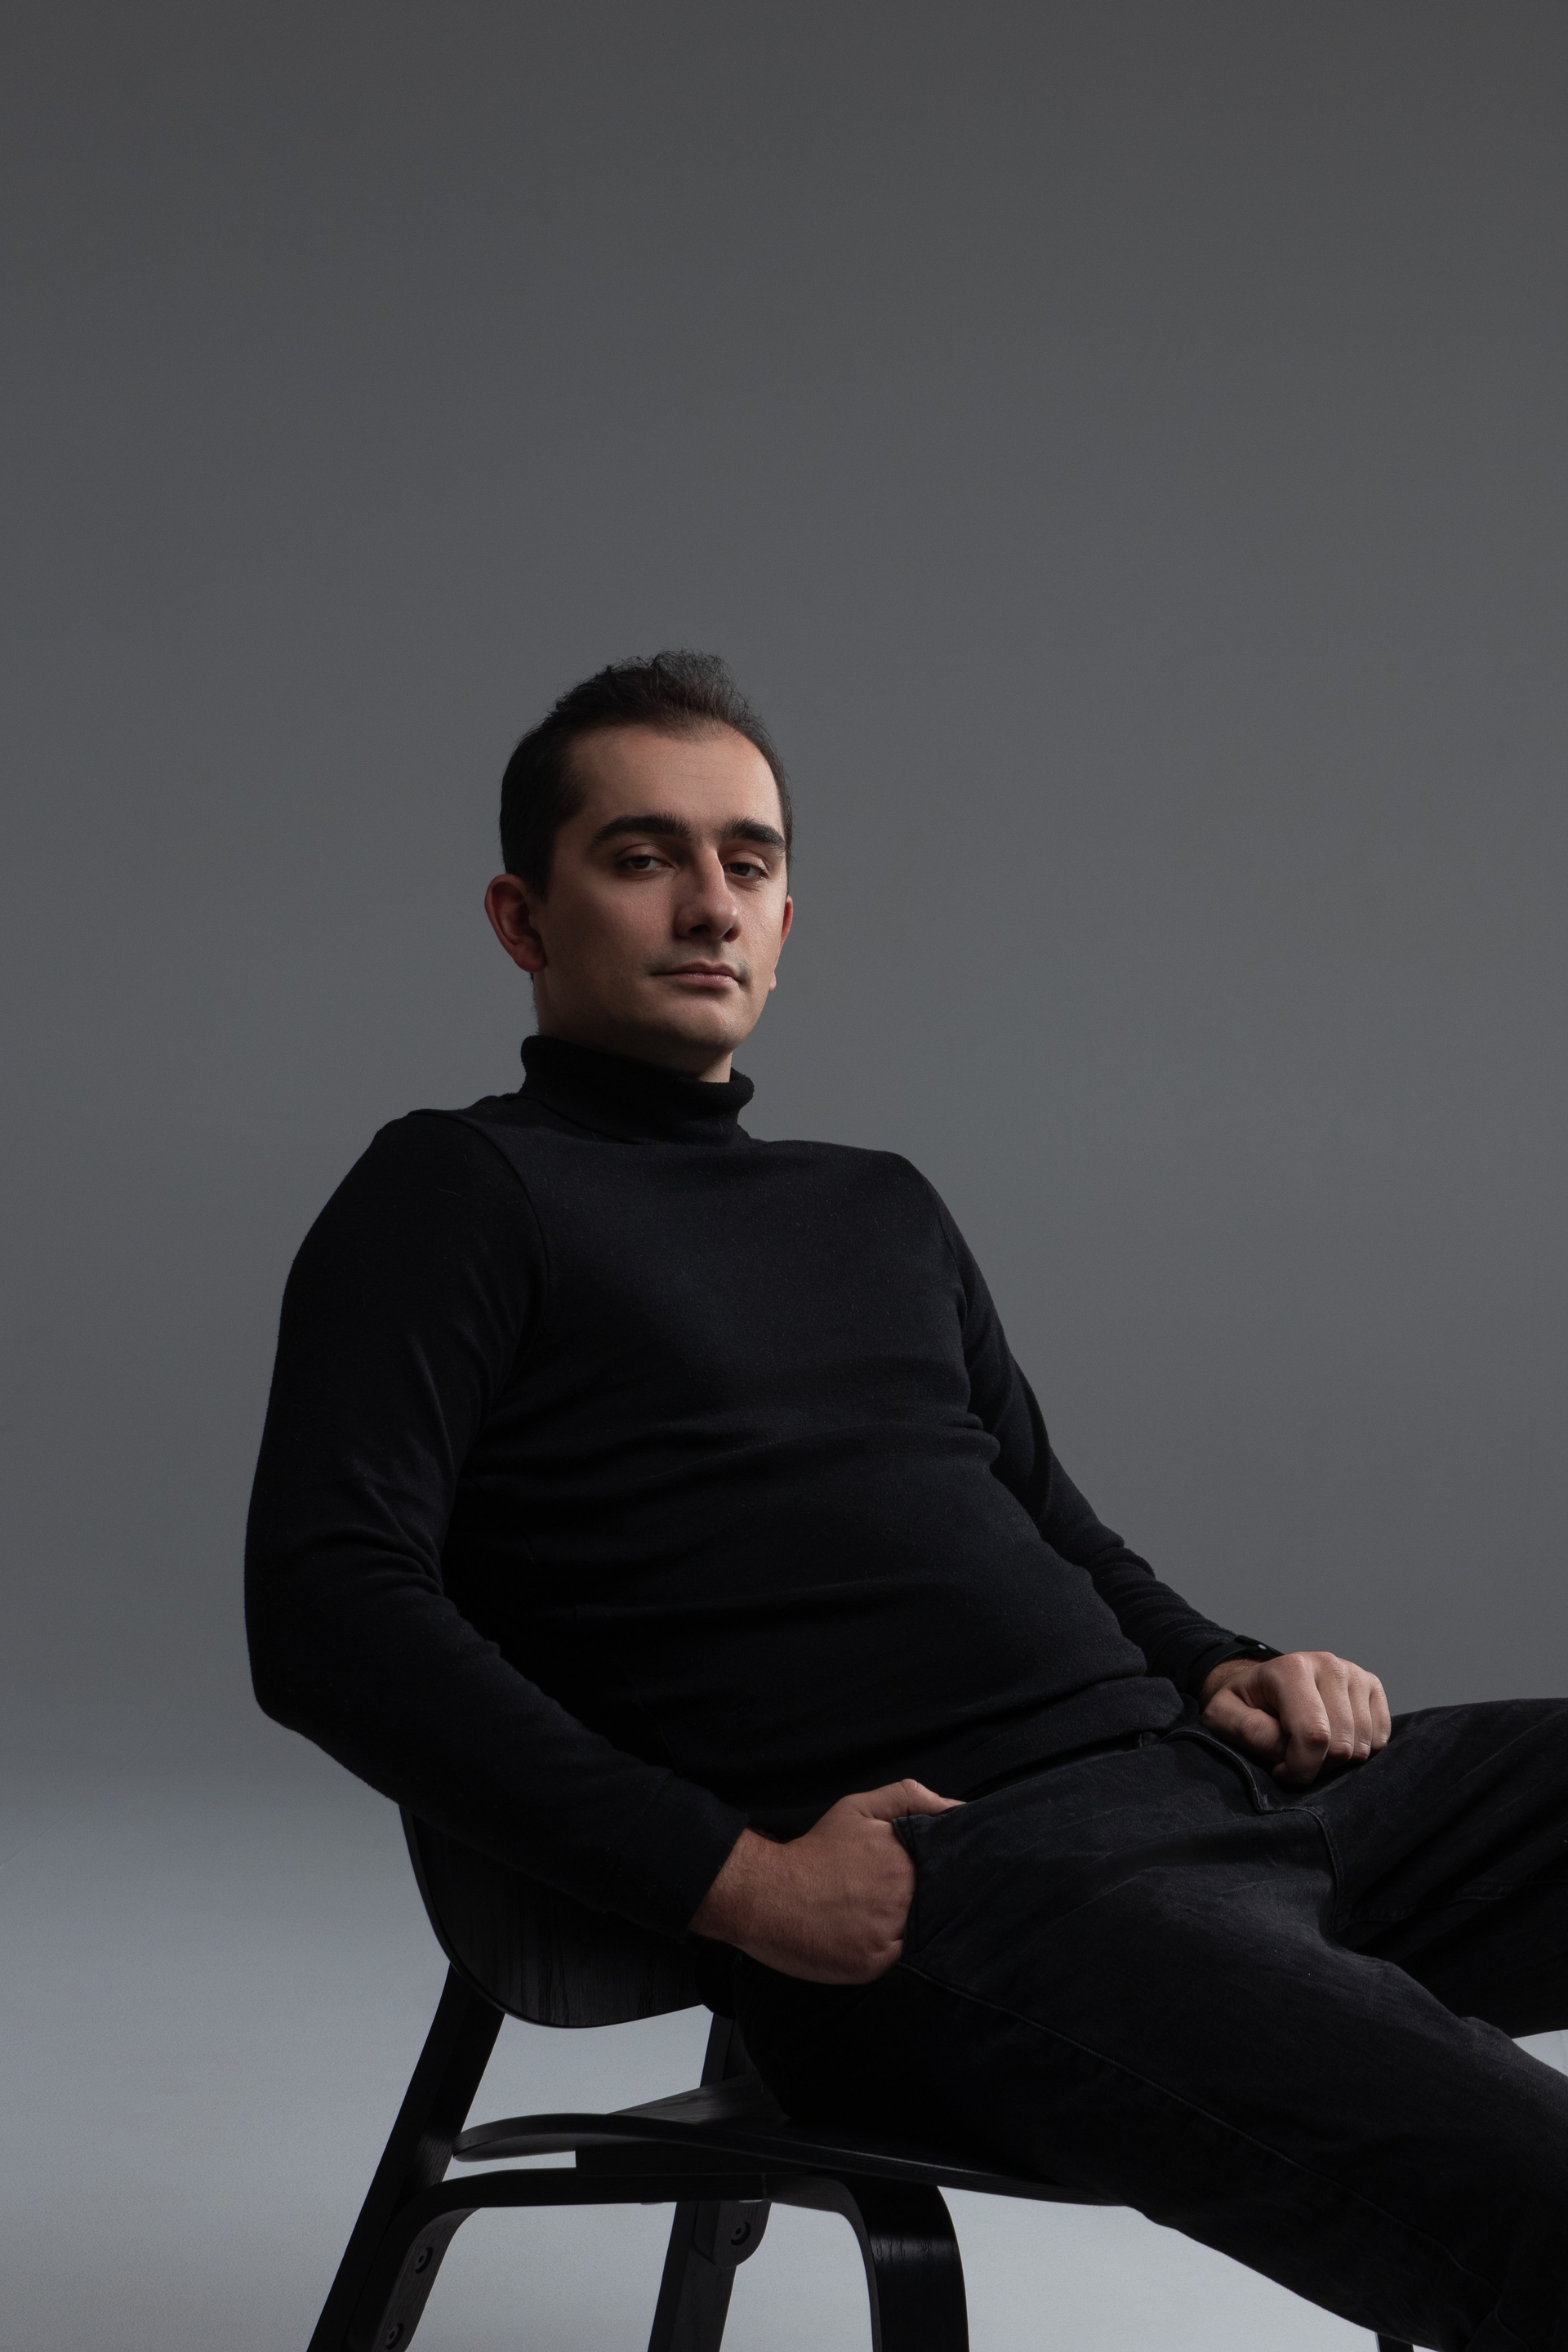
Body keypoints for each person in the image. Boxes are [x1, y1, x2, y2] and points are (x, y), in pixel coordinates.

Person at [246, 652, 1568, 2352]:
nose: (708, 904)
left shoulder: (879, 1205)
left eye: (748, 862)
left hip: (1227, 1791)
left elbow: (1048, 1524)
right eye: (643, 857)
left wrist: (1223, 1663)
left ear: (788, 919)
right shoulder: (457, 1193)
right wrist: (736, 1883)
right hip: (973, 1886)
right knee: (1532, 2186)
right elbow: (329, 1611)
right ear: (524, 917)